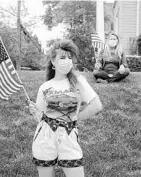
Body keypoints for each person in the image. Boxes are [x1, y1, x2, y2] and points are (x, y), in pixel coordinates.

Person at [29, 39, 102, 177]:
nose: (67, 61)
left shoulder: (78, 81)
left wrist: (74, 118)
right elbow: (40, 118)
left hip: (68, 137)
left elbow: (97, 105)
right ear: (53, 61)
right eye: (62, 57)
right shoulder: (45, 87)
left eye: (69, 57)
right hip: (44, 138)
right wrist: (35, 112)